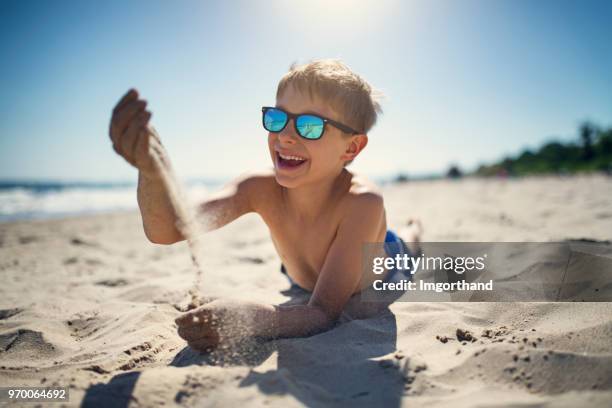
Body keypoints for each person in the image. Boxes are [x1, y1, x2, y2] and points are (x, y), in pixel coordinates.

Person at [109, 59, 421, 352]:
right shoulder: (258, 189)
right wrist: (151, 171)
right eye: (277, 118)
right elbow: (167, 231)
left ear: (351, 147)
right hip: (298, 272)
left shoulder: (362, 202)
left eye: (310, 126)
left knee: (406, 245)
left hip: (385, 263)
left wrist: (252, 318)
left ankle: (412, 231)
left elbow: (323, 313)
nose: (284, 136)